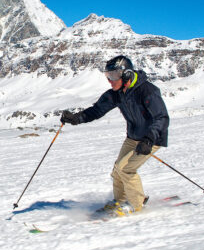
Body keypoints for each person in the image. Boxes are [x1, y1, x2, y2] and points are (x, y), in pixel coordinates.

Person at [60, 55, 169, 217]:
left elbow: (162, 118)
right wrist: (76, 118)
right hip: (133, 137)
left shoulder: (148, 91)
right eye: (107, 76)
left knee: (126, 169)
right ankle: (121, 200)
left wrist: (149, 139)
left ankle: (135, 204)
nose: (110, 80)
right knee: (117, 170)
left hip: (152, 138)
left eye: (112, 76)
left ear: (126, 74)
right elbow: (96, 110)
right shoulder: (116, 94)